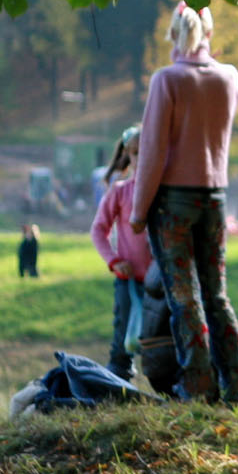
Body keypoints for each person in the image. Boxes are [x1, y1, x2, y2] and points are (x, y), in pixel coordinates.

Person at [130, 1, 238, 405]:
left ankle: (198, 386)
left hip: (173, 204)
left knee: (184, 297)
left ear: (173, 35)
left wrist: (137, 210)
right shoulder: (230, 78)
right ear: (210, 33)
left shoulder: (167, 81)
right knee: (217, 294)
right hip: (215, 198)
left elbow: (152, 152)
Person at [136, 265, 238, 398]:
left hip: (157, 365)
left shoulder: (160, 266)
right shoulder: (186, 276)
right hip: (176, 373)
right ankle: (217, 396)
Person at [92, 125, 153, 380]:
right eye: (136, 153)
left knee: (158, 342)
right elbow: (98, 230)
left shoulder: (164, 192)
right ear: (129, 156)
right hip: (128, 282)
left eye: (148, 151)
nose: (142, 158)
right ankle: (119, 385)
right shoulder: (120, 192)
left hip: (160, 284)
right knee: (122, 344)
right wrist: (114, 261)